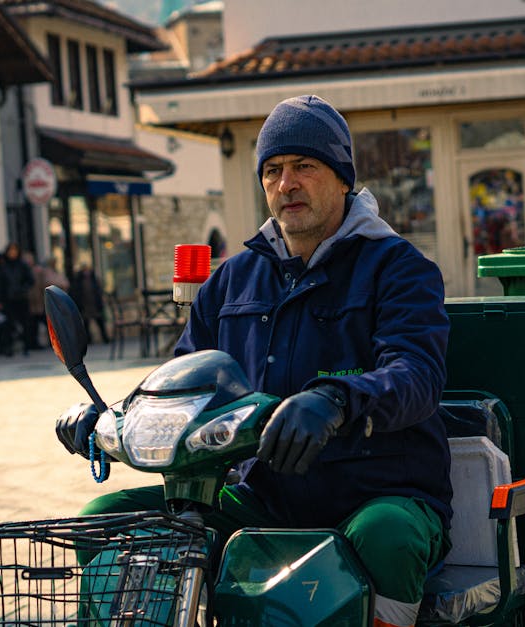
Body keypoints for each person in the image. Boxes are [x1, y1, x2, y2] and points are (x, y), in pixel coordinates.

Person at [56, 95, 453, 627]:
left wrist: (335, 400)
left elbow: (416, 372)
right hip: (257, 494)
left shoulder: (399, 268)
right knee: (105, 520)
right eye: (272, 171)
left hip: (375, 491)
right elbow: (181, 384)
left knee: (390, 537)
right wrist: (116, 419)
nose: (286, 184)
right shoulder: (232, 279)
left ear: (342, 178)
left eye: (304, 167)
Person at [69, 264, 109, 344]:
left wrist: (100, 303)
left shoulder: (94, 280)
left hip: (94, 305)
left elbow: (98, 292)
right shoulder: (78, 281)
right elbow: (75, 293)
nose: (86, 272)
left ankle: (105, 338)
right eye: (85, 270)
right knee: (86, 324)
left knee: (100, 322)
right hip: (85, 306)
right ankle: (88, 340)